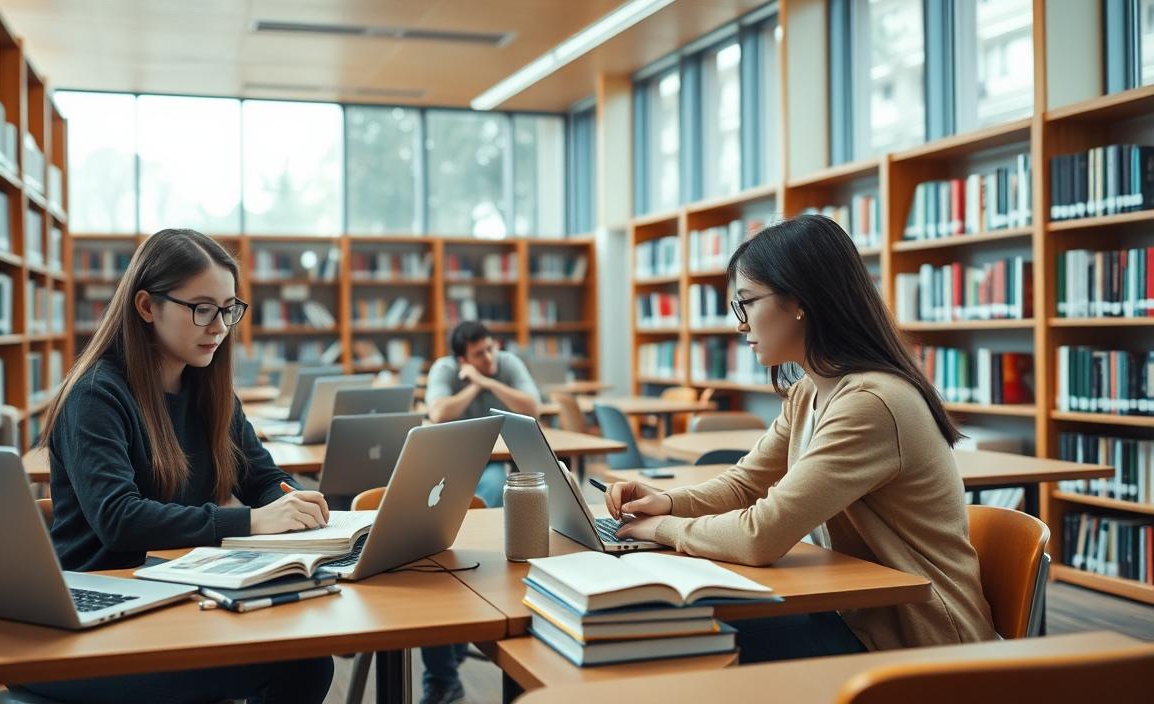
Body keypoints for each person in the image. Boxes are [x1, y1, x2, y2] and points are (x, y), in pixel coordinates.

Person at [605, 214, 997, 663]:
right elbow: (743, 486)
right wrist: (667, 502)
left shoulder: (871, 402)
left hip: (913, 636)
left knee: (681, 645)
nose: (740, 324)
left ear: (800, 301)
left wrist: (662, 530)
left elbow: (761, 535)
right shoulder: (809, 391)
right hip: (853, 611)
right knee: (679, 632)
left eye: (747, 303)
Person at [18, 229, 333, 704]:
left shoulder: (209, 389)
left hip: (172, 597)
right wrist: (251, 521)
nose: (219, 326)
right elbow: (119, 521)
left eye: (229, 309)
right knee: (300, 664)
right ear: (146, 306)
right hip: (87, 624)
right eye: (202, 309)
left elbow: (263, 478)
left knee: (307, 651)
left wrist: (293, 501)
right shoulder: (95, 395)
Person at [420, 320, 541, 704]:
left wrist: (487, 380)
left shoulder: (506, 364)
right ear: (460, 358)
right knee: (432, 554)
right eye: (478, 354)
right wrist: (470, 381)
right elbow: (439, 413)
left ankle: (468, 581)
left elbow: (533, 407)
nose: (489, 357)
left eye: (491, 349)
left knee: (488, 492)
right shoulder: (443, 369)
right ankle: (446, 663)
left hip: (494, 463)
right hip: (448, 464)